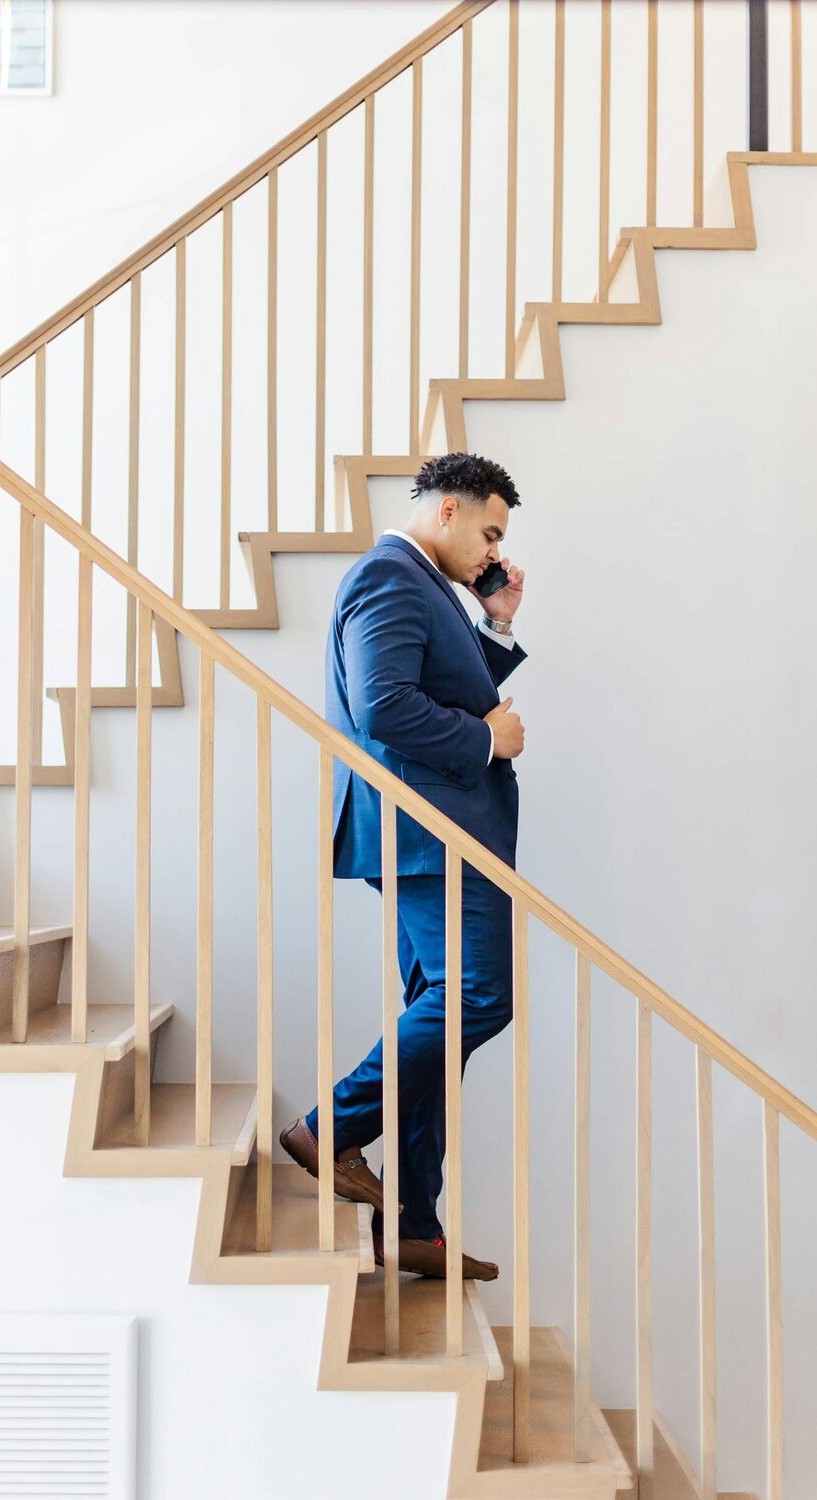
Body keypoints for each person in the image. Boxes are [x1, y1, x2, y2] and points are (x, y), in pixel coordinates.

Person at [280, 451, 526, 1280]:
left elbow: (443, 689)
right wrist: (490, 739)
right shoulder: (391, 577)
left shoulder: (427, 587)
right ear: (449, 511)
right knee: (478, 998)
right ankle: (331, 1127)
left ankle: (416, 1223)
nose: (493, 550)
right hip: (432, 831)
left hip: (431, 830)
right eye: (490, 531)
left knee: (442, 1015)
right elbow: (384, 706)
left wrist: (494, 623)